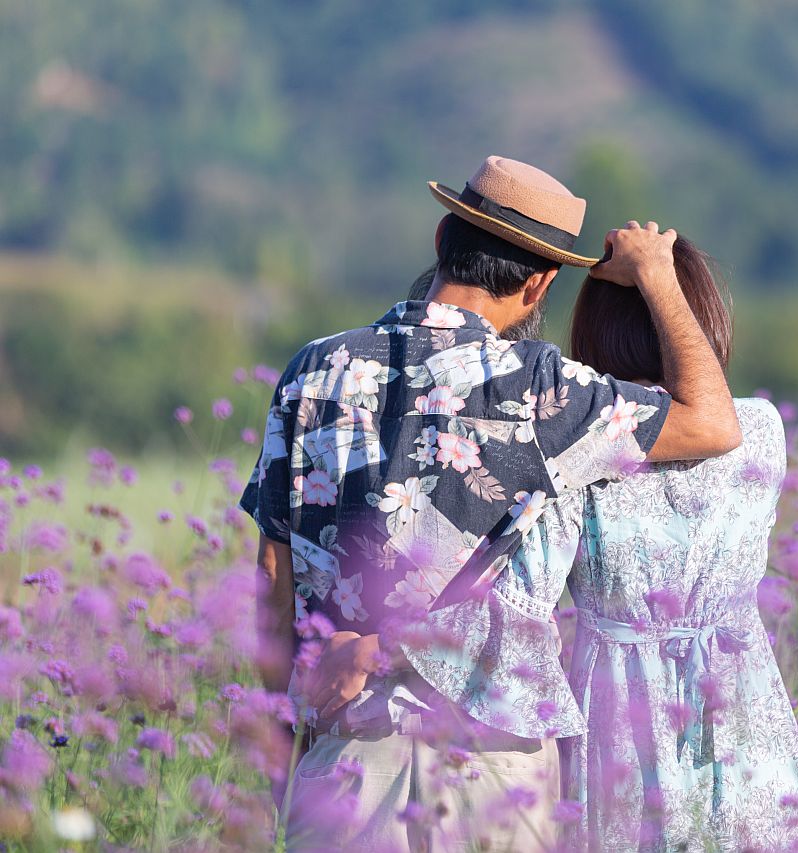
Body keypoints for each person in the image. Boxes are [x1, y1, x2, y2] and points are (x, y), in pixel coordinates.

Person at [240, 155, 741, 851]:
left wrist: (280, 748)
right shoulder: (544, 389)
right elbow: (714, 422)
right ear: (539, 285)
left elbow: (271, 574)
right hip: (491, 760)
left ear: (443, 239)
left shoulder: (312, 369)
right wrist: (657, 272)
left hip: (346, 752)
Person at [537, 237, 798, 850]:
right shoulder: (760, 429)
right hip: (738, 695)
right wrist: (660, 279)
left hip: (617, 704)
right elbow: (705, 403)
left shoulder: (585, 442)